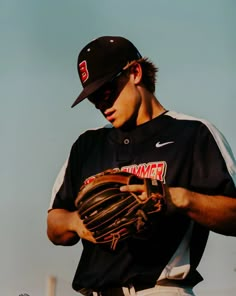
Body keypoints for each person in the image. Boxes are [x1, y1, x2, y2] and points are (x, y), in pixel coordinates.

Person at [47, 36, 236, 296]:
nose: (102, 105)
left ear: (135, 72)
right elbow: (54, 223)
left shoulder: (193, 134)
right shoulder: (88, 145)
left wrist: (176, 198)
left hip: (157, 289)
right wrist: (75, 221)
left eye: (106, 91)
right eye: (94, 99)